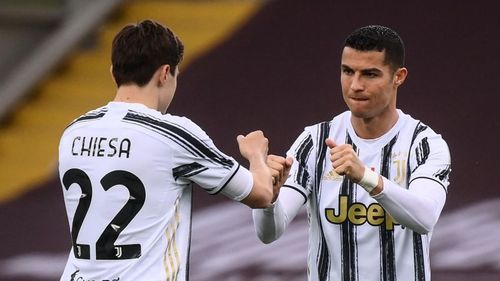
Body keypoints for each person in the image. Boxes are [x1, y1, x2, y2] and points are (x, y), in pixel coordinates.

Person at [58, 19, 274, 281]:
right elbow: (261, 194)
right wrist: (256, 157)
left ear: (113, 72)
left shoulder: (74, 131)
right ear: (164, 73)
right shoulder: (172, 135)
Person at [253, 25, 451, 281]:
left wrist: (366, 177)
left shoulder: (424, 144)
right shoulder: (314, 141)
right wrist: (269, 200)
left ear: (398, 77)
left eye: (370, 74)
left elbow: (424, 218)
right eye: (348, 71)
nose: (356, 85)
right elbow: (269, 233)